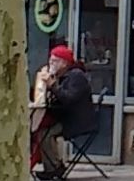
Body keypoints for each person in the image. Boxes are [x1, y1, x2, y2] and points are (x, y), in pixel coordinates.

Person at [32, 45, 95, 180]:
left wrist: (52, 85)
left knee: (44, 133)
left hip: (78, 121)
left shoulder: (76, 76)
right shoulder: (64, 76)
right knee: (41, 129)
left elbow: (68, 99)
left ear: (65, 63)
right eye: (50, 60)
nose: (51, 63)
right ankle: (54, 165)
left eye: (55, 61)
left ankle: (53, 168)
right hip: (68, 117)